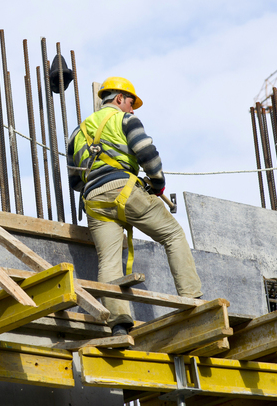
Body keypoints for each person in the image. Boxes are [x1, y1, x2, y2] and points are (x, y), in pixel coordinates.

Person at [66, 77, 202, 335]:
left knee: (109, 261)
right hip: (125, 191)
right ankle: (193, 299)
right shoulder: (125, 120)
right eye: (130, 103)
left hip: (94, 201)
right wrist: (158, 184)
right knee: (173, 235)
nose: (132, 109)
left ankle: (118, 324)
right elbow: (147, 154)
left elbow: (74, 181)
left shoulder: (76, 133)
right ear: (118, 99)